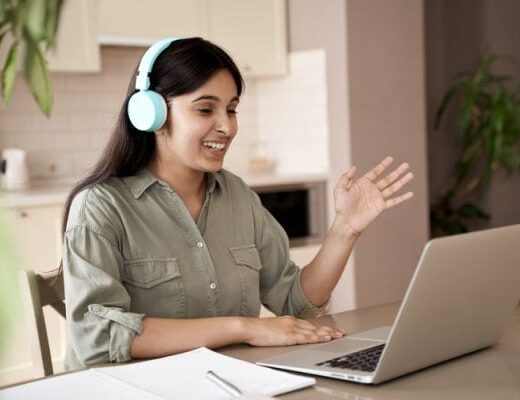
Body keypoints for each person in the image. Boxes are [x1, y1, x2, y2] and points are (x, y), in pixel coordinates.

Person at [61, 37, 414, 370]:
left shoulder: (237, 196)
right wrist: (244, 328)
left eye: (231, 110)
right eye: (205, 110)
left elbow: (297, 303)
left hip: (227, 381)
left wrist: (344, 229)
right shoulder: (101, 206)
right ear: (150, 115)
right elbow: (98, 335)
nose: (226, 127)